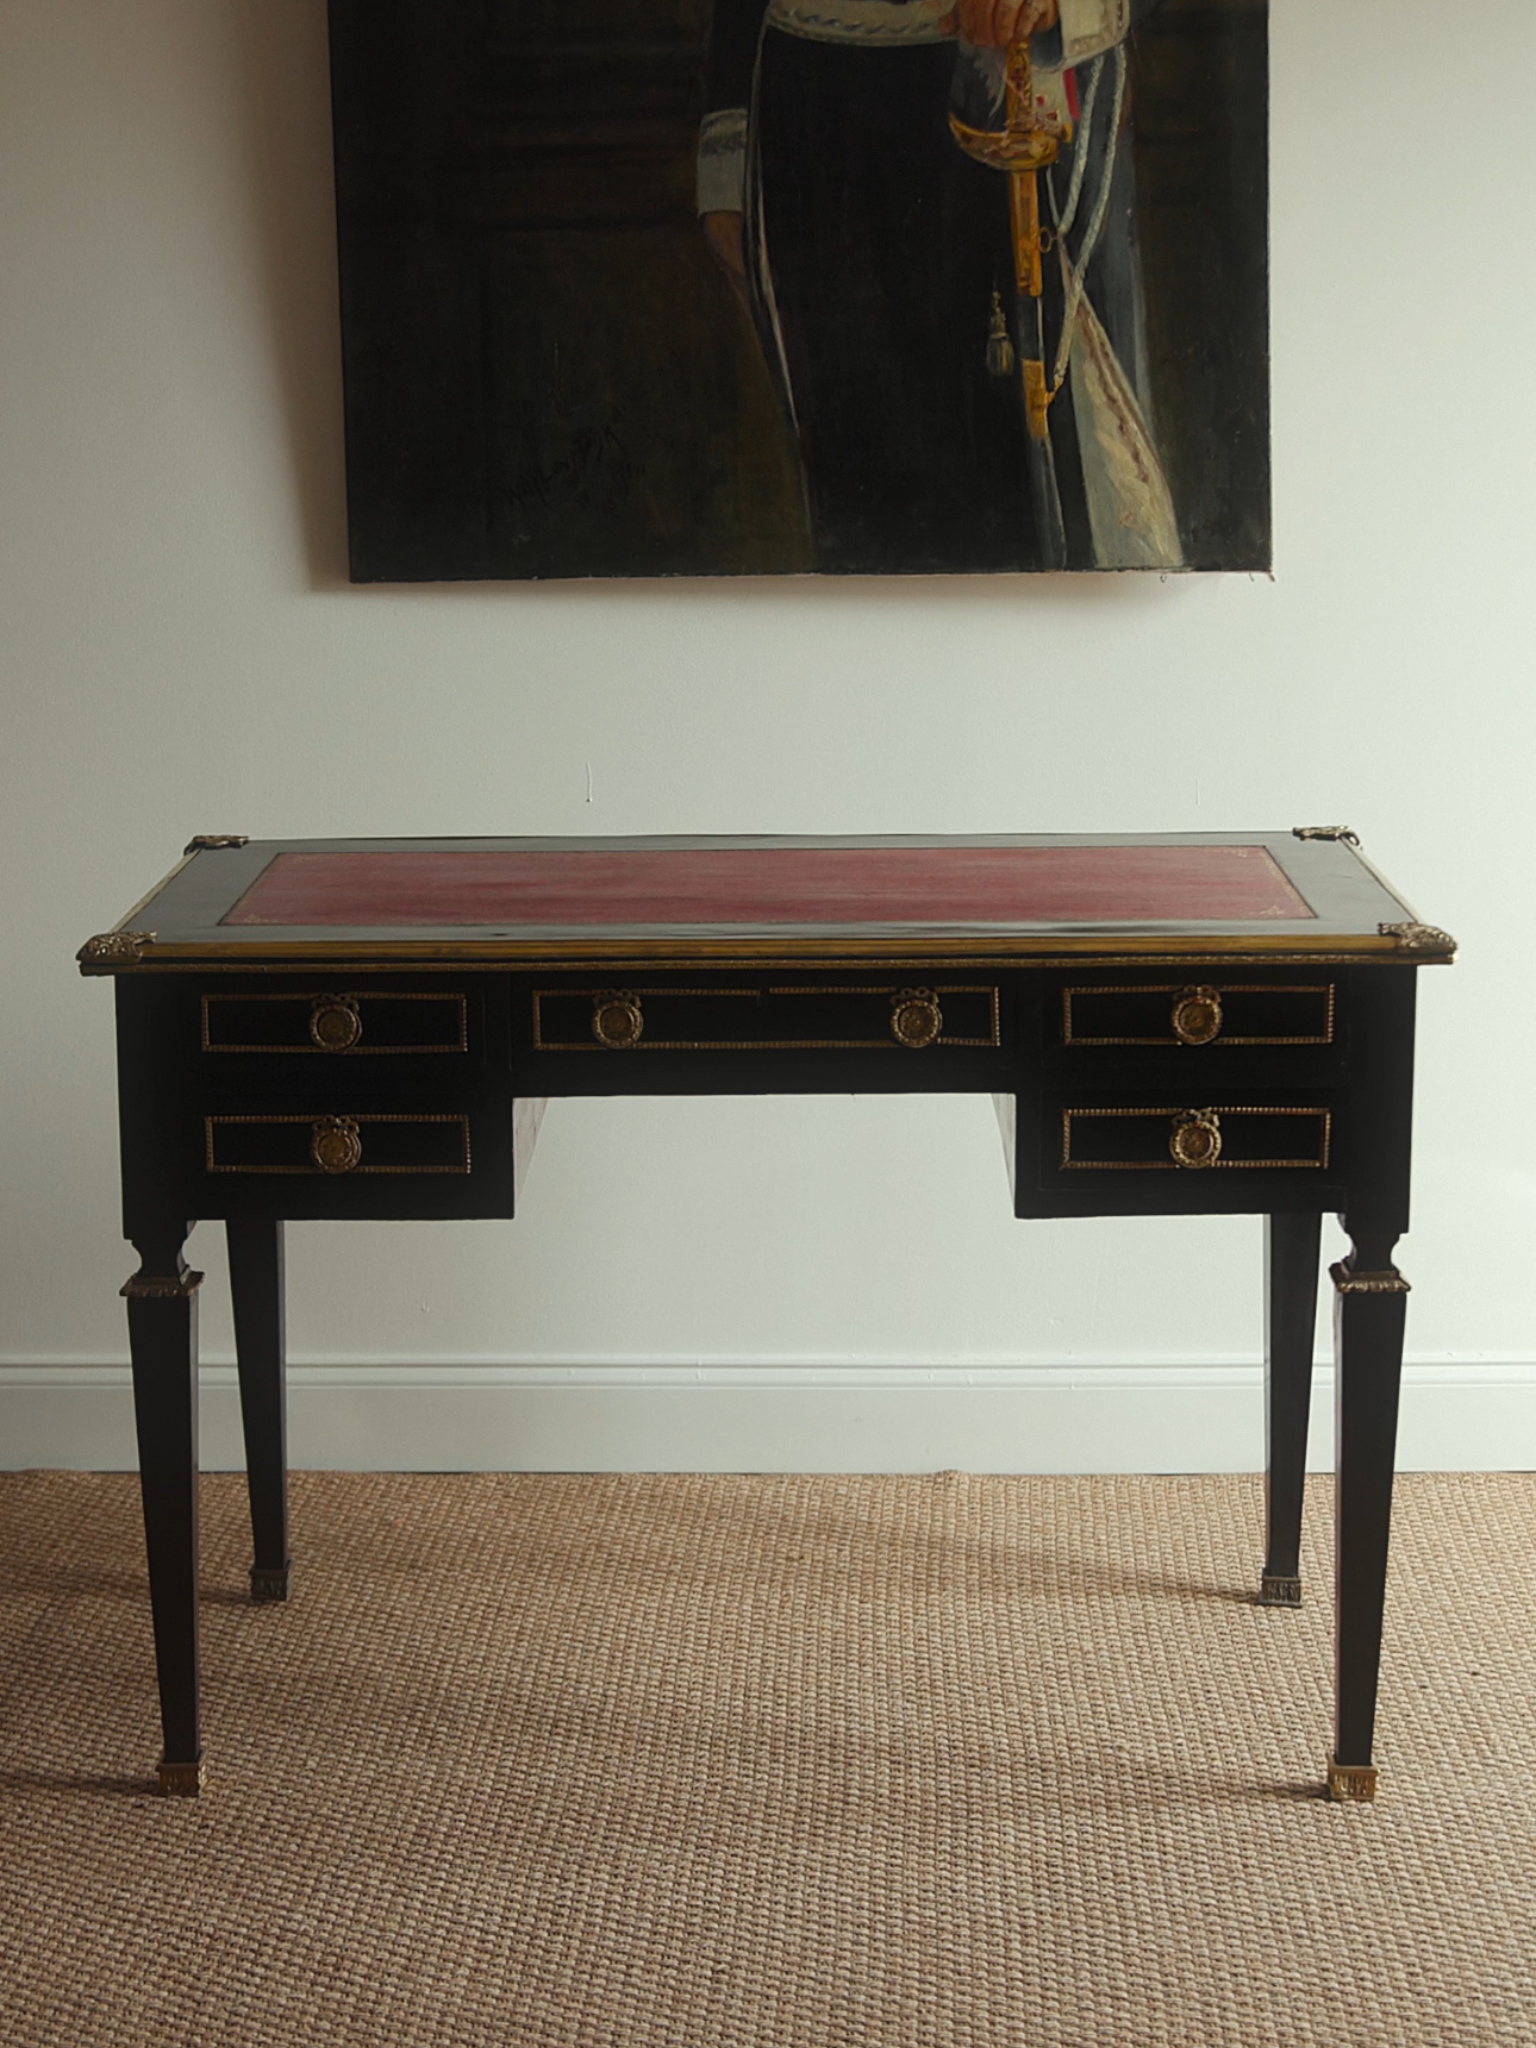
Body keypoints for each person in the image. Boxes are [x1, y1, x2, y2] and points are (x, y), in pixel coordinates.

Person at [698, 0, 1182, 573]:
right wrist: (725, 135)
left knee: (1041, 520)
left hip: (1008, 87)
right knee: (864, 532)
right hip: (816, 115)